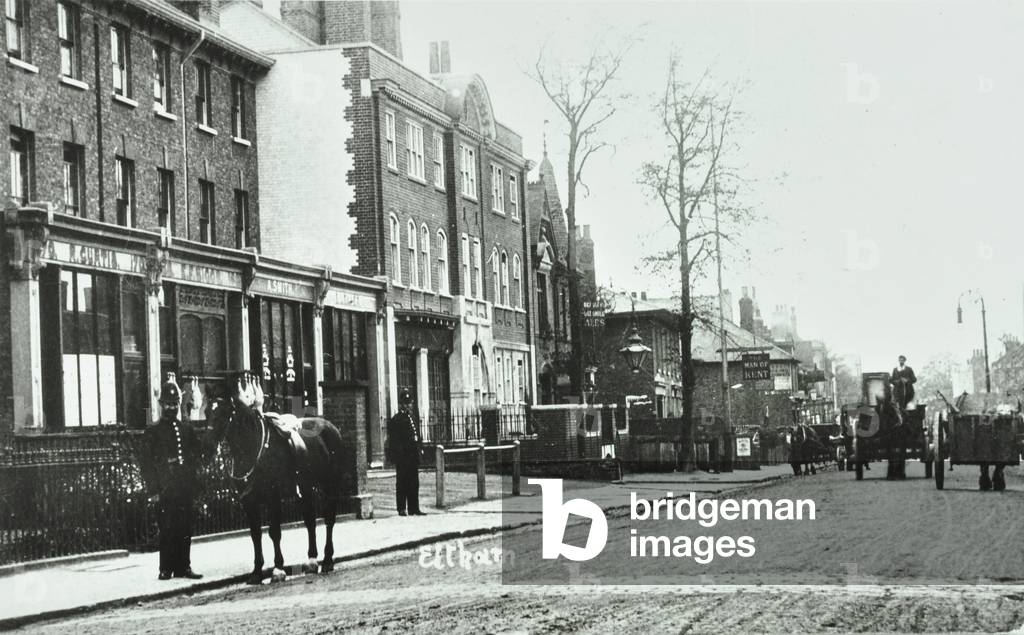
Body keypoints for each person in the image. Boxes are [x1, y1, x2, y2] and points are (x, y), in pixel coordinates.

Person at [141, 378, 215, 580]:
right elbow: (146, 464)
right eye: (168, 404)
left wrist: (210, 437)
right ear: (161, 404)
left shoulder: (186, 429)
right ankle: (165, 568)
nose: (171, 407)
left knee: (185, 527)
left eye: (175, 404)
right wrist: (153, 490)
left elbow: (198, 453)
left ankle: (184, 567)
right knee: (167, 528)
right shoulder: (152, 432)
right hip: (165, 487)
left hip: (184, 486)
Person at [386, 389, 425, 516]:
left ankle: (414, 508)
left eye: (409, 403)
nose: (407, 405)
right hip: (403, 458)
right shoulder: (396, 420)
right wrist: (400, 457)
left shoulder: (412, 417)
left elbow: (417, 436)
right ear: (400, 404)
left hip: (413, 456)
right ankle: (401, 508)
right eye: (405, 403)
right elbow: (395, 441)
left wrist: (420, 448)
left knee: (414, 483)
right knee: (402, 483)